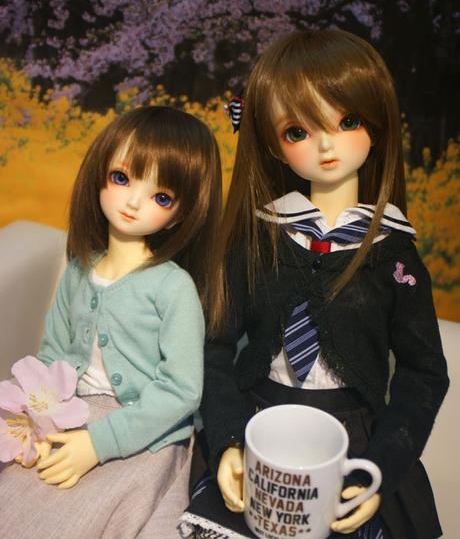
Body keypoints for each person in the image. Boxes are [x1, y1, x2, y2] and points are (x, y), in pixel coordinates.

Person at [181, 29, 449, 538]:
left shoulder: (393, 253)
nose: (326, 145)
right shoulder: (259, 238)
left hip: (353, 440)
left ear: (377, 125)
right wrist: (229, 439)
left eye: (347, 122)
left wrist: (383, 465)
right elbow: (213, 347)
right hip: (257, 426)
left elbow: (424, 373)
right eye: (298, 131)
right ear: (274, 144)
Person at [0, 105, 222, 538]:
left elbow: (180, 390)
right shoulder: (80, 269)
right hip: (70, 411)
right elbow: (53, 352)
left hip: (145, 429)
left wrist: (100, 443)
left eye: (161, 197)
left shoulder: (173, 288)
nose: (133, 202)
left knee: (101, 515)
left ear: (181, 213)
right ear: (99, 173)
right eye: (121, 178)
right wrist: (38, 414)